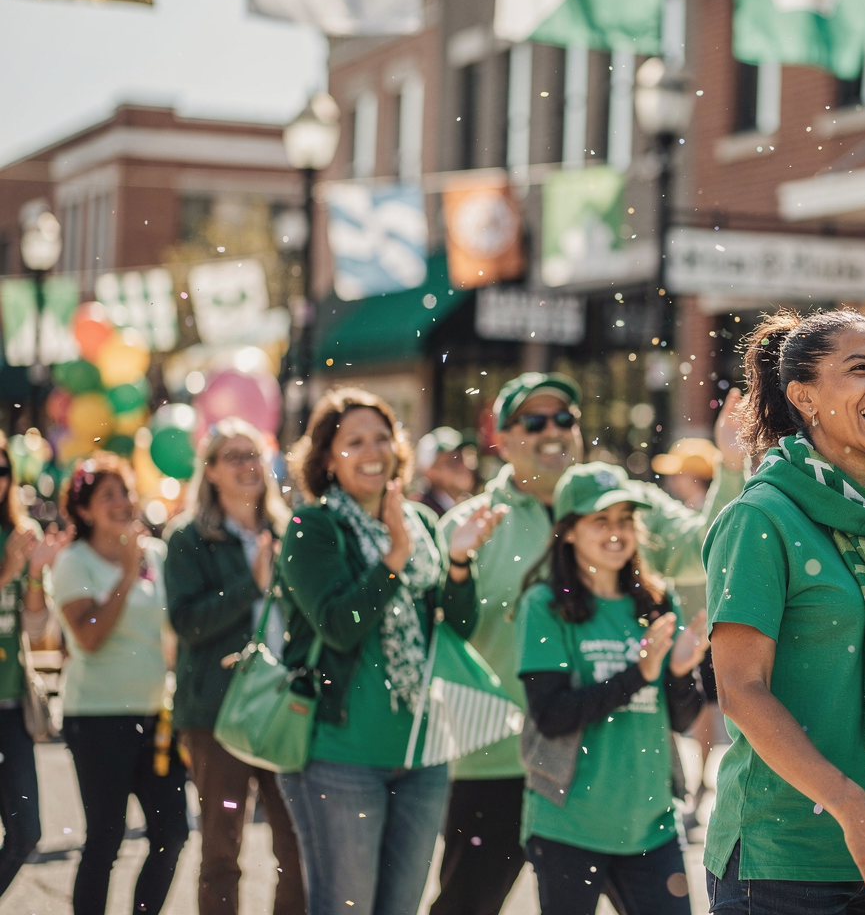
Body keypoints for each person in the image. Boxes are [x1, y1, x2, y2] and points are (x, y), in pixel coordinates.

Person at [430, 373, 743, 915]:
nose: (551, 430)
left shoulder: (628, 508)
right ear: (501, 438)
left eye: (563, 419)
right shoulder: (469, 525)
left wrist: (734, 466)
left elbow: (704, 547)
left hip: (615, 771)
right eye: (533, 421)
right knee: (465, 906)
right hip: (497, 763)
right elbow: (447, 632)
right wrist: (457, 564)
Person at [703, 308, 865, 914]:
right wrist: (854, 810)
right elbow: (740, 691)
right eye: (860, 369)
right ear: (803, 396)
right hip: (783, 863)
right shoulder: (761, 517)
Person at [276, 389, 501, 915]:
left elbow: (460, 625)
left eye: (381, 436)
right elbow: (338, 626)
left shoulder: (421, 524)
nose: (373, 450)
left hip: (421, 756)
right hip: (339, 756)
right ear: (327, 458)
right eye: (354, 441)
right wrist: (392, 559)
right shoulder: (313, 528)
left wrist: (461, 562)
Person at [515, 462, 709, 915]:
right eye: (600, 521)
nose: (616, 532)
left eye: (625, 520)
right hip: (567, 827)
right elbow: (551, 715)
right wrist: (637, 675)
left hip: (652, 828)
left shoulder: (657, 600)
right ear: (568, 532)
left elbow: (681, 718)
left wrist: (679, 672)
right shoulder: (543, 605)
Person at [164, 419, 305, 915]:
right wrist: (251, 582)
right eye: (234, 457)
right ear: (211, 471)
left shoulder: (290, 530)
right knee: (223, 851)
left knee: (297, 848)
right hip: (216, 713)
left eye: (254, 455)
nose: (248, 466)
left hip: (284, 706)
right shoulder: (189, 538)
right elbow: (187, 623)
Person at [48, 453, 190, 915]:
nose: (123, 502)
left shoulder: (157, 555)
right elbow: (88, 638)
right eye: (107, 495)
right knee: (106, 839)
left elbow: (172, 631)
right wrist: (127, 575)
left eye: (126, 491)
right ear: (84, 510)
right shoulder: (73, 562)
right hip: (96, 718)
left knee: (172, 833)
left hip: (156, 715)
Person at [0, 450, 60, 901]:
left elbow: (38, 628)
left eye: (2, 470)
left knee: (27, 833)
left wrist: (35, 574)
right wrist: (6, 574)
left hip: (10, 702)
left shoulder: (21, 534)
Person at [414, 427, 477, 517]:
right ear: (430, 472)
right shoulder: (420, 514)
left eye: (465, 457)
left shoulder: (471, 506)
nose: (464, 466)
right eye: (453, 461)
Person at [653, 437, 722, 510]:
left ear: (694, 476)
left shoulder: (704, 509)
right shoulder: (699, 505)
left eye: (678, 475)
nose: (672, 480)